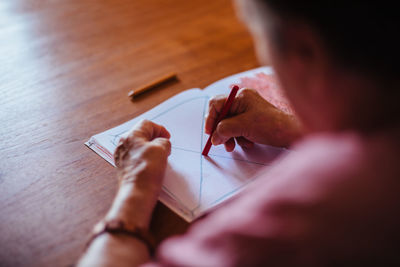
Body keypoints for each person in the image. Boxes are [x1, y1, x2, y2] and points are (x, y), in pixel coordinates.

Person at [78, 0, 400, 266]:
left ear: (305, 51)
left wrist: (134, 193)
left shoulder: (318, 200)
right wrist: (293, 129)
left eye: (259, 41)